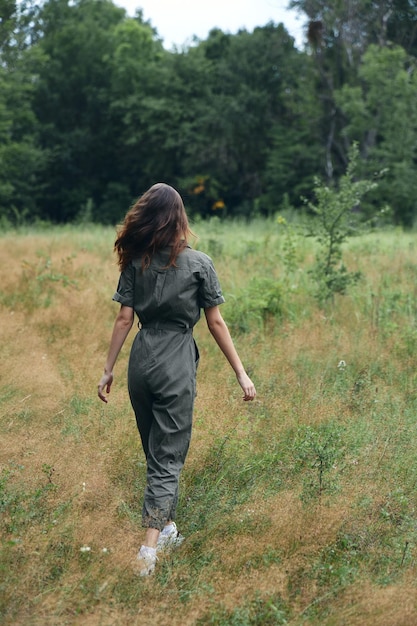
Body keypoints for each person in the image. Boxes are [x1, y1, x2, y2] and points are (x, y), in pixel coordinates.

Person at [97, 182, 256, 576]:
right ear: (180, 218)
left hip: (140, 362)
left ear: (147, 217)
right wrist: (241, 372)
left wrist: (108, 368)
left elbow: (123, 319)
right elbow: (215, 321)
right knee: (167, 458)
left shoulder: (136, 261)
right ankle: (148, 551)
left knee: (155, 451)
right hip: (175, 362)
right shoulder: (200, 263)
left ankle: (167, 527)